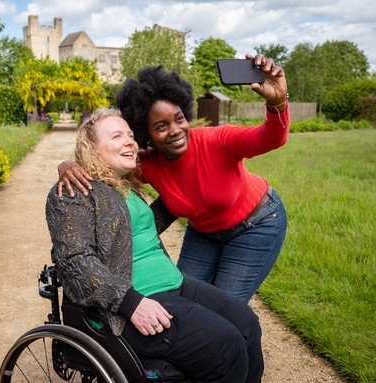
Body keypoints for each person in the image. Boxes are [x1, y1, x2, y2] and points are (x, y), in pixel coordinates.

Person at [46, 107, 264, 383]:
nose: (130, 141)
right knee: (226, 346)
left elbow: (133, 229)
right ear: (92, 149)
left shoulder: (126, 186)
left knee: (247, 325)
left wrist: (193, 186)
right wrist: (131, 303)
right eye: (116, 136)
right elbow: (74, 260)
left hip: (174, 282)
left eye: (130, 135)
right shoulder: (74, 191)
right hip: (134, 297)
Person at [57, 54, 290, 304]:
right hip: (203, 232)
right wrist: (68, 164)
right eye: (161, 126)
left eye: (179, 119)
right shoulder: (144, 164)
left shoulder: (217, 141)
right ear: (146, 135)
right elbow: (103, 162)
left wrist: (277, 103)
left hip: (255, 225)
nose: (175, 130)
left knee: (225, 307)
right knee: (184, 302)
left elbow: (272, 138)